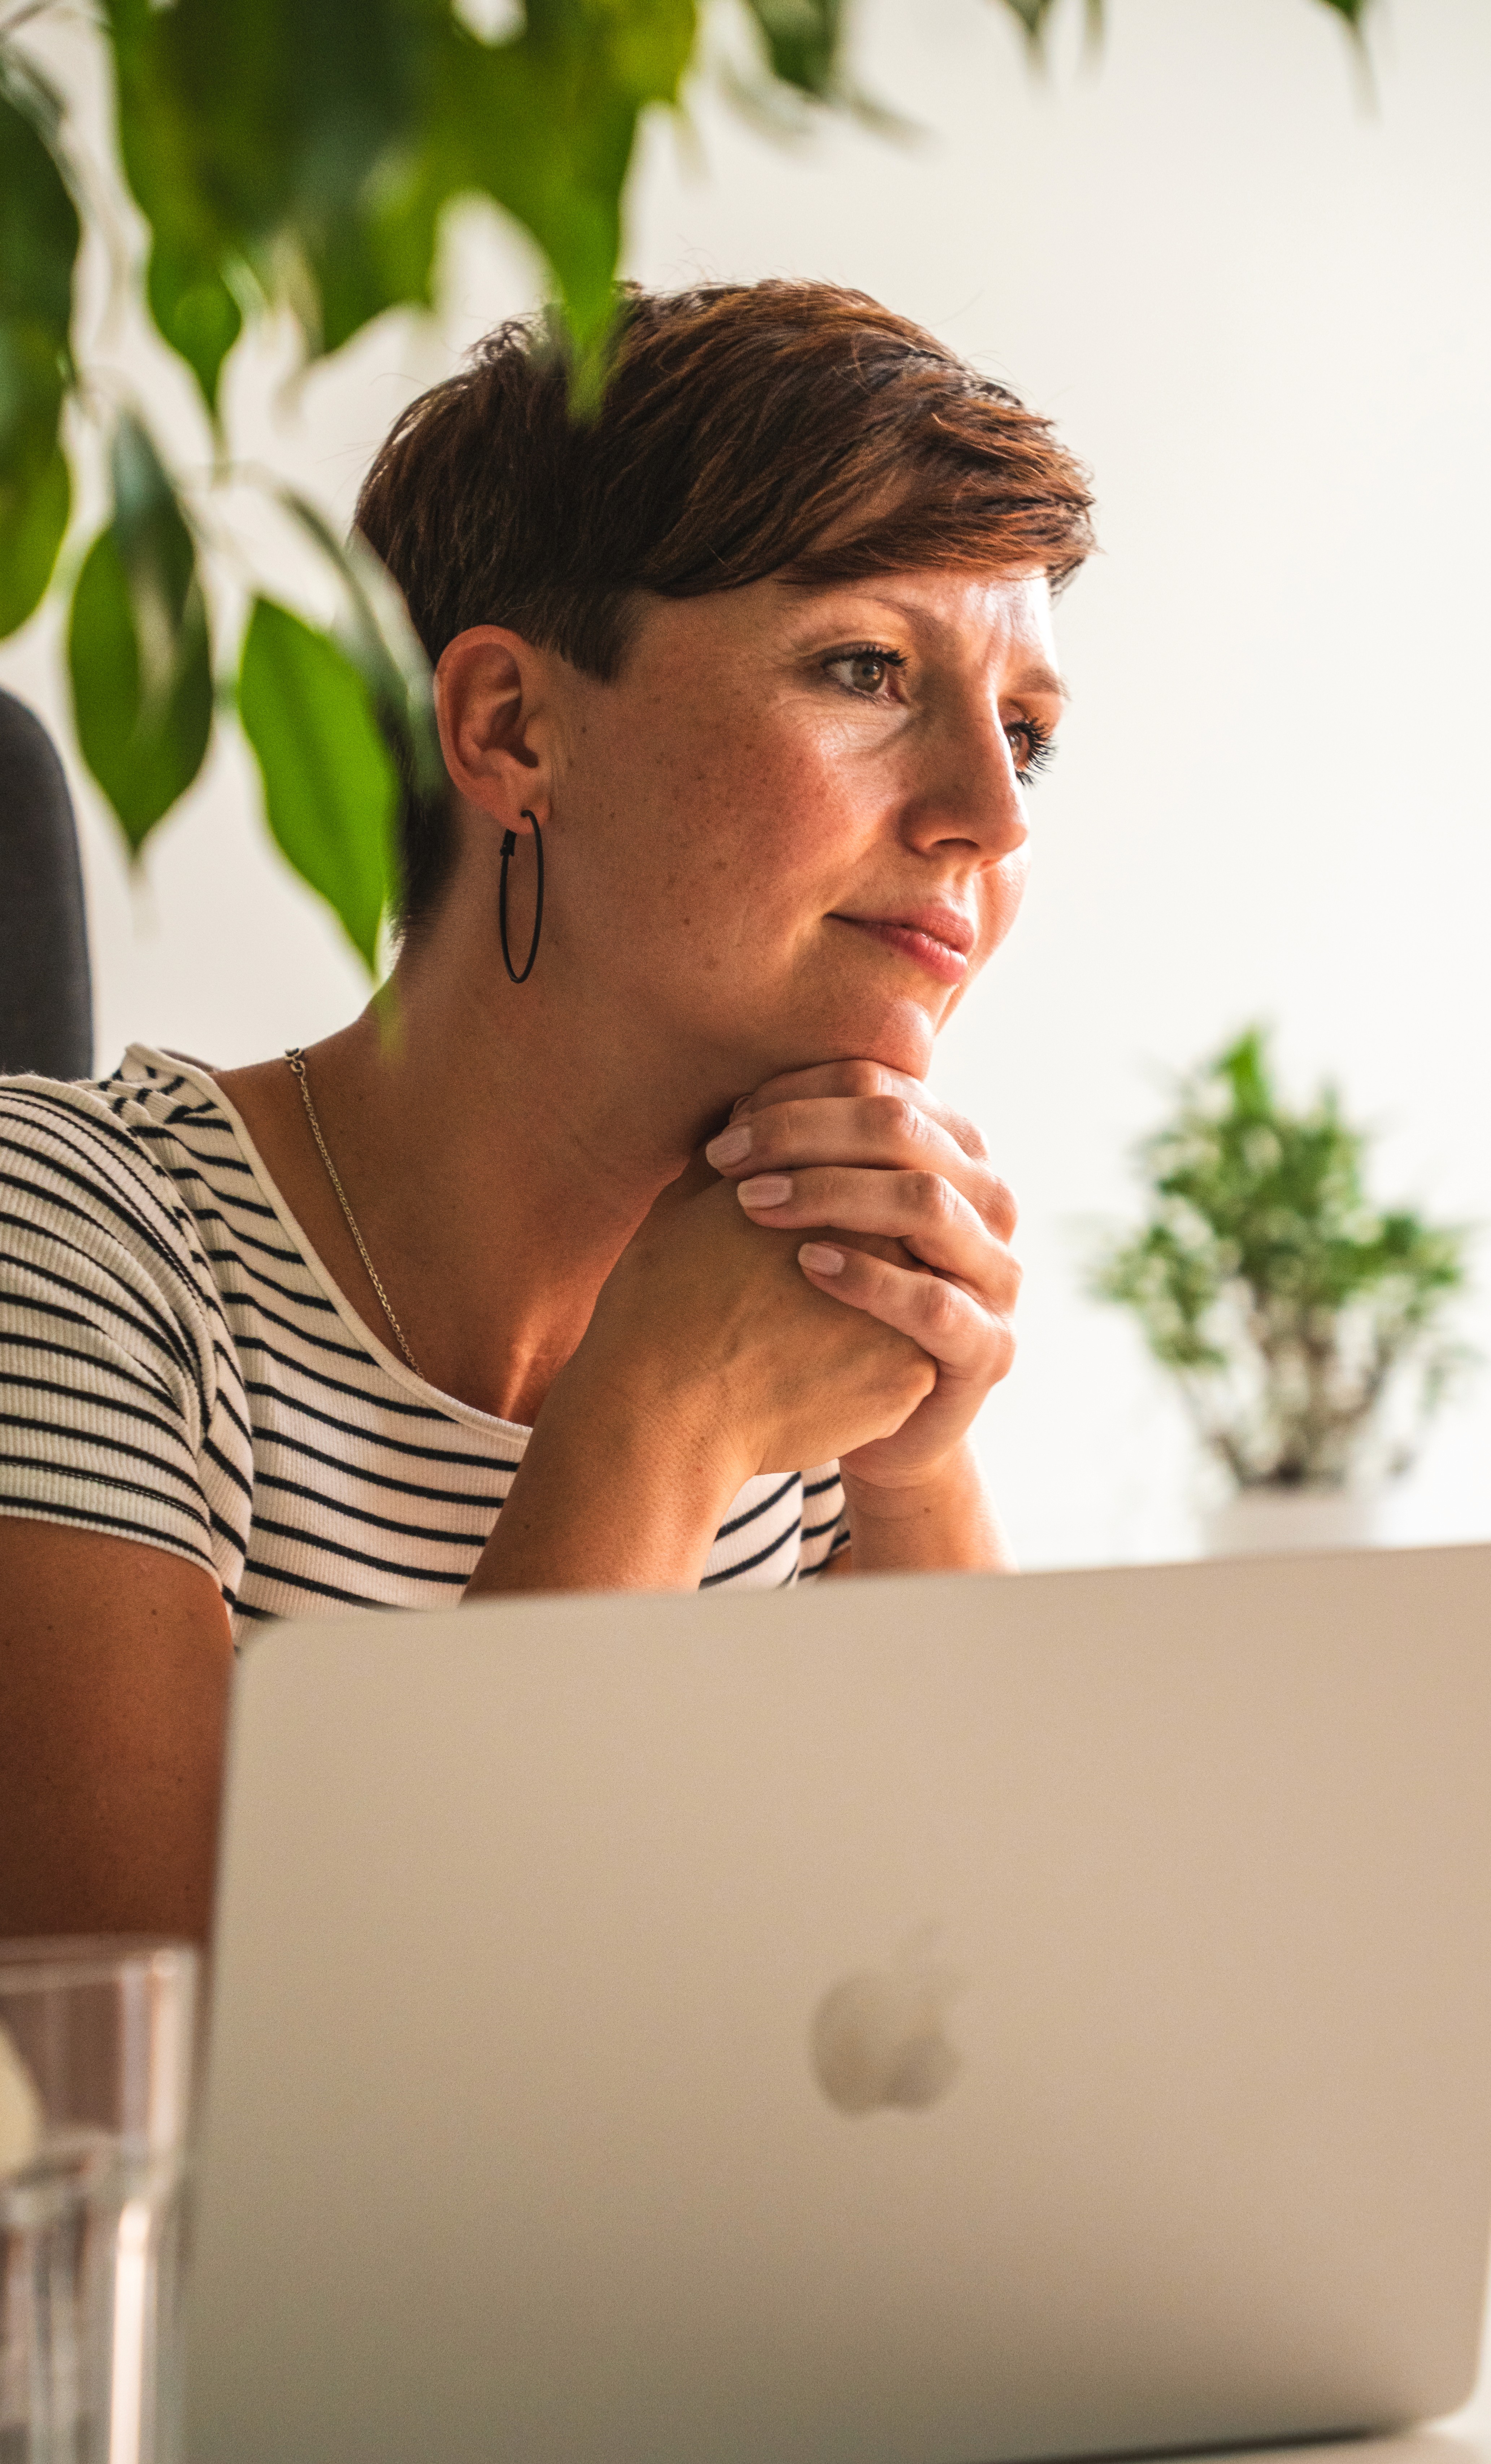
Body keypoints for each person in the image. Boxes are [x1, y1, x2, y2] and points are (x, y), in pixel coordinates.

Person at [0, 281, 1095, 1943]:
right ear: (510, 730)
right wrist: (656, 1422)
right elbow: (191, 2076)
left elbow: (1008, 2006)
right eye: (866, 669)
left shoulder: (803, 1326)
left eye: (1026, 738)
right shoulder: (69, 1243)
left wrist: (912, 1471)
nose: (989, 818)